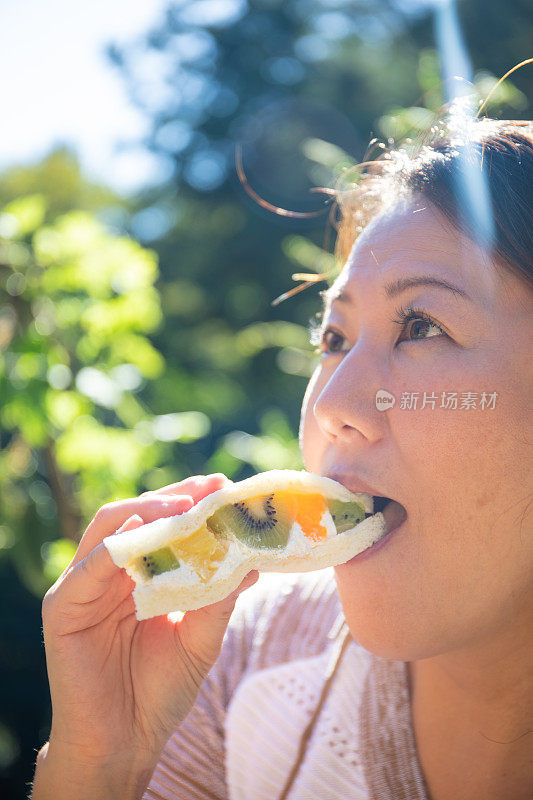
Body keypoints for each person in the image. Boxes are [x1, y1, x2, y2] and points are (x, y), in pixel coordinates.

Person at [31, 113, 533, 800]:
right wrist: (101, 764)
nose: (331, 404)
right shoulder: (238, 659)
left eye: (421, 326)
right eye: (332, 340)